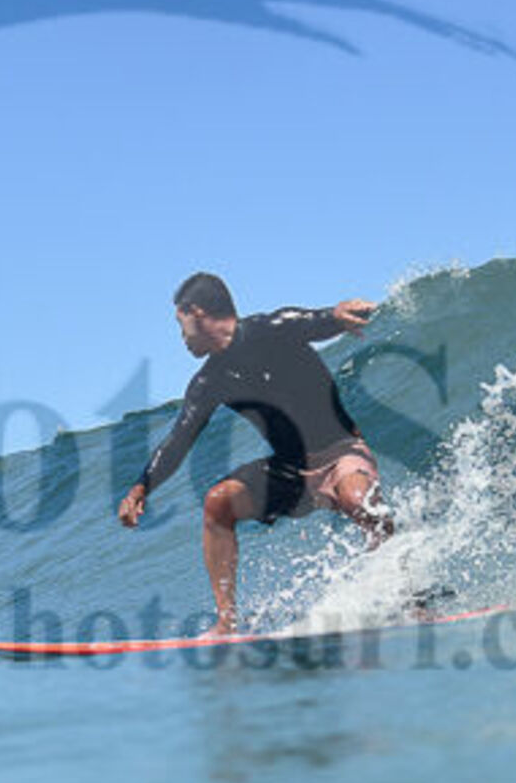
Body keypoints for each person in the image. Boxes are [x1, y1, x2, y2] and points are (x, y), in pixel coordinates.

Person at [116, 271, 392, 634]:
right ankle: (227, 623)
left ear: (196, 312)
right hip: (291, 472)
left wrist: (336, 316)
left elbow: (311, 321)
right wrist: (142, 487)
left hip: (342, 454)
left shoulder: (271, 329)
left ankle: (408, 591)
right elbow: (179, 438)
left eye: (180, 324)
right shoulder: (208, 382)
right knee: (218, 502)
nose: (181, 337)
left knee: (358, 500)